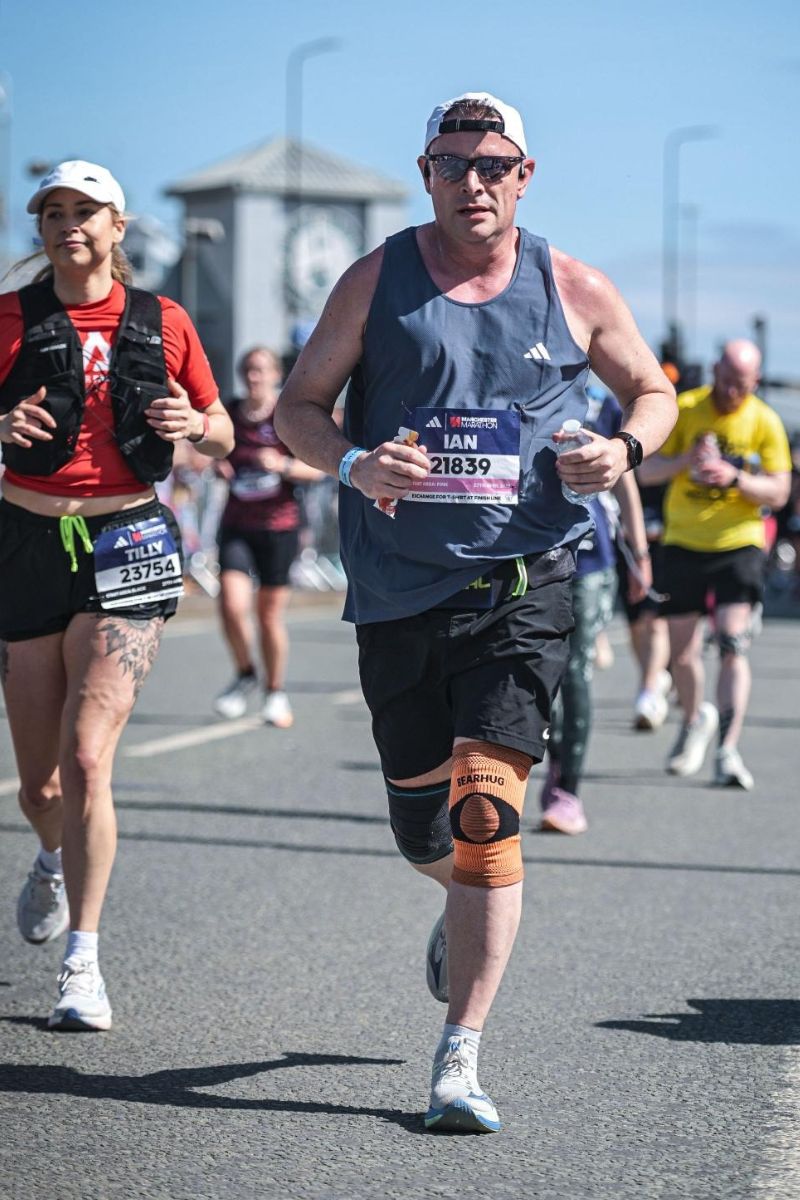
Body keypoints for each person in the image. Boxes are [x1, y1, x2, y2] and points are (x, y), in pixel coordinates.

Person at [275, 92, 677, 1134]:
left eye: (493, 163)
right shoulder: (377, 279)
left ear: (524, 175)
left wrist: (620, 450)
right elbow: (296, 410)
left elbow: (653, 392)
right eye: (452, 164)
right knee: (425, 827)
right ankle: (450, 902)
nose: (473, 181)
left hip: (522, 581)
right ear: (424, 173)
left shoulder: (571, 284)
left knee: (486, 815)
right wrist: (357, 463)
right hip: (398, 591)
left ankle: (458, 1060)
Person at [0, 161, 233, 1030]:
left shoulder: (163, 321)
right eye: (53, 213)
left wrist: (191, 424)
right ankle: (52, 855)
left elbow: (221, 429)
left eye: (85, 212)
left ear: (119, 226)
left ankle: (84, 963)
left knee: (88, 759)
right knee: (39, 787)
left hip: (128, 535)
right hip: (24, 538)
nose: (69, 226)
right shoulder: (10, 317)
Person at [638, 340, 791, 789]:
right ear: (713, 370)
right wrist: (686, 461)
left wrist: (737, 478)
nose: (731, 393)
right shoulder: (685, 407)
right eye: (725, 382)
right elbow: (645, 471)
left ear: (755, 382)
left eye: (741, 386)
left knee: (731, 642)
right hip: (684, 540)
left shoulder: (764, 420)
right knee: (682, 654)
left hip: (737, 543)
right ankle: (693, 719)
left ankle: (727, 749)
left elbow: (779, 492)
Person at [540, 386, 651, 835]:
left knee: (575, 668)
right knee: (537, 673)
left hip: (589, 559)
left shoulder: (602, 403)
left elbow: (623, 475)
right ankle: (553, 758)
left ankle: (569, 789)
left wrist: (640, 552)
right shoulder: (528, 387)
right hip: (533, 552)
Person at [212, 345, 321, 727]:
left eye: (261, 370)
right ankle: (245, 674)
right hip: (238, 523)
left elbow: (318, 468)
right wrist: (218, 465)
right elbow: (213, 449)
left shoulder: (286, 414)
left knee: (268, 614)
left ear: (276, 375)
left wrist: (283, 464)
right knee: (230, 603)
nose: (254, 377)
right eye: (249, 371)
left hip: (280, 525)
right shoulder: (230, 411)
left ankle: (275, 691)